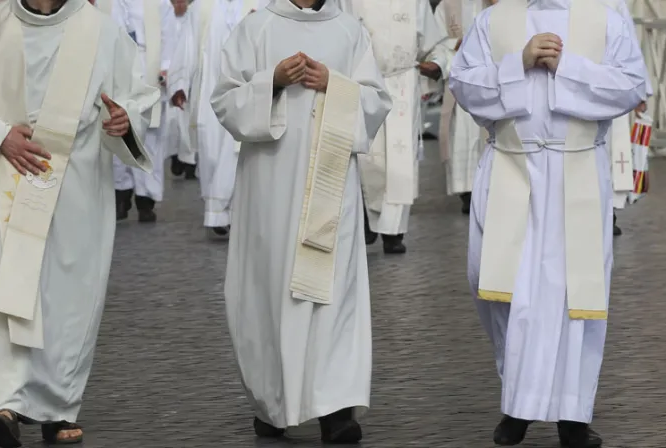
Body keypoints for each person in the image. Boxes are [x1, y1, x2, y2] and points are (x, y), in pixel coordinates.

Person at [450, 0, 647, 446]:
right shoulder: (493, 20)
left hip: (575, 171)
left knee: (573, 296)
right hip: (510, 169)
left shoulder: (606, 18)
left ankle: (572, 416)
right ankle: (518, 400)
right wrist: (517, 63)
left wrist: (569, 67)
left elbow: (633, 86)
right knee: (501, 287)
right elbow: (461, 84)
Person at [210, 0, 391, 442]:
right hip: (269, 186)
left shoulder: (349, 31)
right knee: (271, 290)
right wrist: (271, 81)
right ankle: (274, 402)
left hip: (332, 186)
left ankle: (336, 409)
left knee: (333, 291)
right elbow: (224, 100)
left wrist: (334, 83)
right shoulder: (256, 29)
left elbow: (376, 100)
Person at [0, 0, 159, 446]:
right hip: (6, 182)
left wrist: (126, 120)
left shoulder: (100, 32)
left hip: (78, 188)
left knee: (69, 297)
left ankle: (57, 404)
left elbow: (138, 96)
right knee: (11, 292)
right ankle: (5, 403)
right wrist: (1, 134)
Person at [337, 0, 448, 254]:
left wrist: (438, 63)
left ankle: (394, 230)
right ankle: (365, 216)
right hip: (362, 81)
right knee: (364, 151)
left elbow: (434, 43)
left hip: (401, 82)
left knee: (400, 157)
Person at [169, 0, 243, 238]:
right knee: (212, 151)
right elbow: (187, 46)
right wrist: (179, 83)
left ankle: (230, 213)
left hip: (247, 92)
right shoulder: (202, 7)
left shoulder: (262, 4)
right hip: (211, 91)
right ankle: (217, 212)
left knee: (237, 153)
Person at [111, 0, 176, 223]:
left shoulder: (160, 3)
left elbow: (169, 35)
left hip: (149, 69)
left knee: (149, 139)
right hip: (119, 71)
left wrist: (166, 66)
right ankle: (121, 192)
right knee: (119, 133)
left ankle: (145, 198)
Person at [435, 0, 495, 215]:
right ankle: (466, 192)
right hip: (463, 78)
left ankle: (491, 187)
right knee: (462, 133)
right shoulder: (449, 5)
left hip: (493, 78)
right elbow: (437, 43)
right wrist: (455, 48)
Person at [603, 0, 652, 236]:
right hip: (579, 91)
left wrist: (641, 91)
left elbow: (630, 43)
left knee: (613, 153)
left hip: (612, 88)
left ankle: (609, 210)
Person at [165, 0, 197, 181]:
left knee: (189, 124)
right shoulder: (166, 16)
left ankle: (190, 164)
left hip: (191, 77)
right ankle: (176, 158)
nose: (178, 5)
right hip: (173, 77)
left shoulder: (193, 15)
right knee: (174, 126)